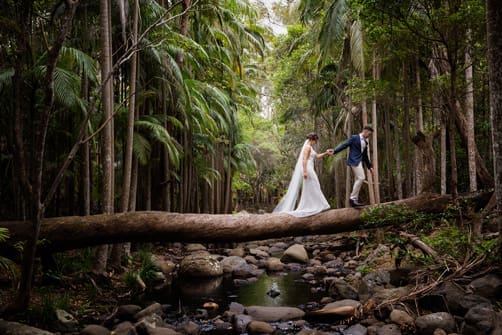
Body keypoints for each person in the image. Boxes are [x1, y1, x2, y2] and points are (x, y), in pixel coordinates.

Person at [273, 133, 334, 217]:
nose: (315, 143)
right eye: (315, 141)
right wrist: (305, 171)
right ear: (312, 140)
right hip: (307, 168)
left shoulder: (310, 148)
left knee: (312, 186)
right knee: (315, 185)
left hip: (309, 168)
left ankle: (315, 205)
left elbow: (317, 156)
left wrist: (326, 153)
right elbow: (304, 159)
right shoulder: (307, 147)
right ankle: (320, 205)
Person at [332, 125, 374, 207]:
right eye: (369, 134)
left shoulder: (365, 142)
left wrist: (370, 167)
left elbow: (365, 156)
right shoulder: (354, 137)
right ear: (365, 131)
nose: (369, 136)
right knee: (361, 178)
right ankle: (352, 199)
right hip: (354, 161)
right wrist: (334, 151)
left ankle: (354, 199)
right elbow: (344, 144)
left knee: (360, 178)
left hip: (359, 162)